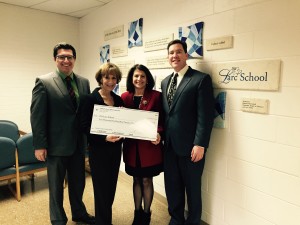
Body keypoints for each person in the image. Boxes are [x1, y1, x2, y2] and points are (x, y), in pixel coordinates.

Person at [30, 42, 95, 225]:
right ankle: (58, 219)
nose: (66, 60)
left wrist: (89, 138)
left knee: (78, 183)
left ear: (74, 59)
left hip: (78, 144)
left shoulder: (83, 82)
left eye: (70, 57)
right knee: (56, 186)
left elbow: (85, 113)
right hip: (56, 145)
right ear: (55, 59)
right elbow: (37, 116)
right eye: (62, 57)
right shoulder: (43, 82)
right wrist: (39, 145)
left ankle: (79, 213)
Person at [161, 39, 215, 225]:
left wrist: (200, 144)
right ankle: (175, 218)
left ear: (186, 55)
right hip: (168, 147)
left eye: (178, 52)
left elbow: (205, 116)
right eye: (171, 53)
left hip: (191, 148)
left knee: (192, 189)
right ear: (168, 57)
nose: (174, 56)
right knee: (172, 186)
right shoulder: (165, 81)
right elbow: (166, 115)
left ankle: (193, 221)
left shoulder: (200, 80)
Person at [79, 62, 124, 225]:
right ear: (100, 78)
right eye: (107, 77)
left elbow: (123, 127)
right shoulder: (90, 99)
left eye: (114, 78)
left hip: (115, 151)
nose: (110, 81)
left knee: (111, 188)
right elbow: (84, 126)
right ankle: (103, 222)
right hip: (99, 151)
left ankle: (103, 219)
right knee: (101, 189)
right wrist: (104, 137)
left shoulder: (119, 100)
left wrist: (123, 132)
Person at [121, 64, 164, 225]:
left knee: (147, 180)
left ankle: (146, 215)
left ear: (147, 79)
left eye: (142, 76)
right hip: (132, 148)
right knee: (136, 180)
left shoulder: (156, 96)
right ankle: (137, 213)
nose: (139, 79)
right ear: (131, 79)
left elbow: (162, 120)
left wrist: (159, 132)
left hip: (149, 148)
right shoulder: (124, 97)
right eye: (136, 76)